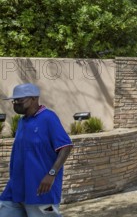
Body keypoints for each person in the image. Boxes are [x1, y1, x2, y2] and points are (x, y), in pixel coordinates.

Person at [0, 83, 73, 217]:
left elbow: (65, 146)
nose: (16, 104)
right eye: (14, 101)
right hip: (16, 188)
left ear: (34, 98)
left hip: (40, 188)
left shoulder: (48, 118)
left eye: (19, 100)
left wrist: (51, 174)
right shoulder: (22, 121)